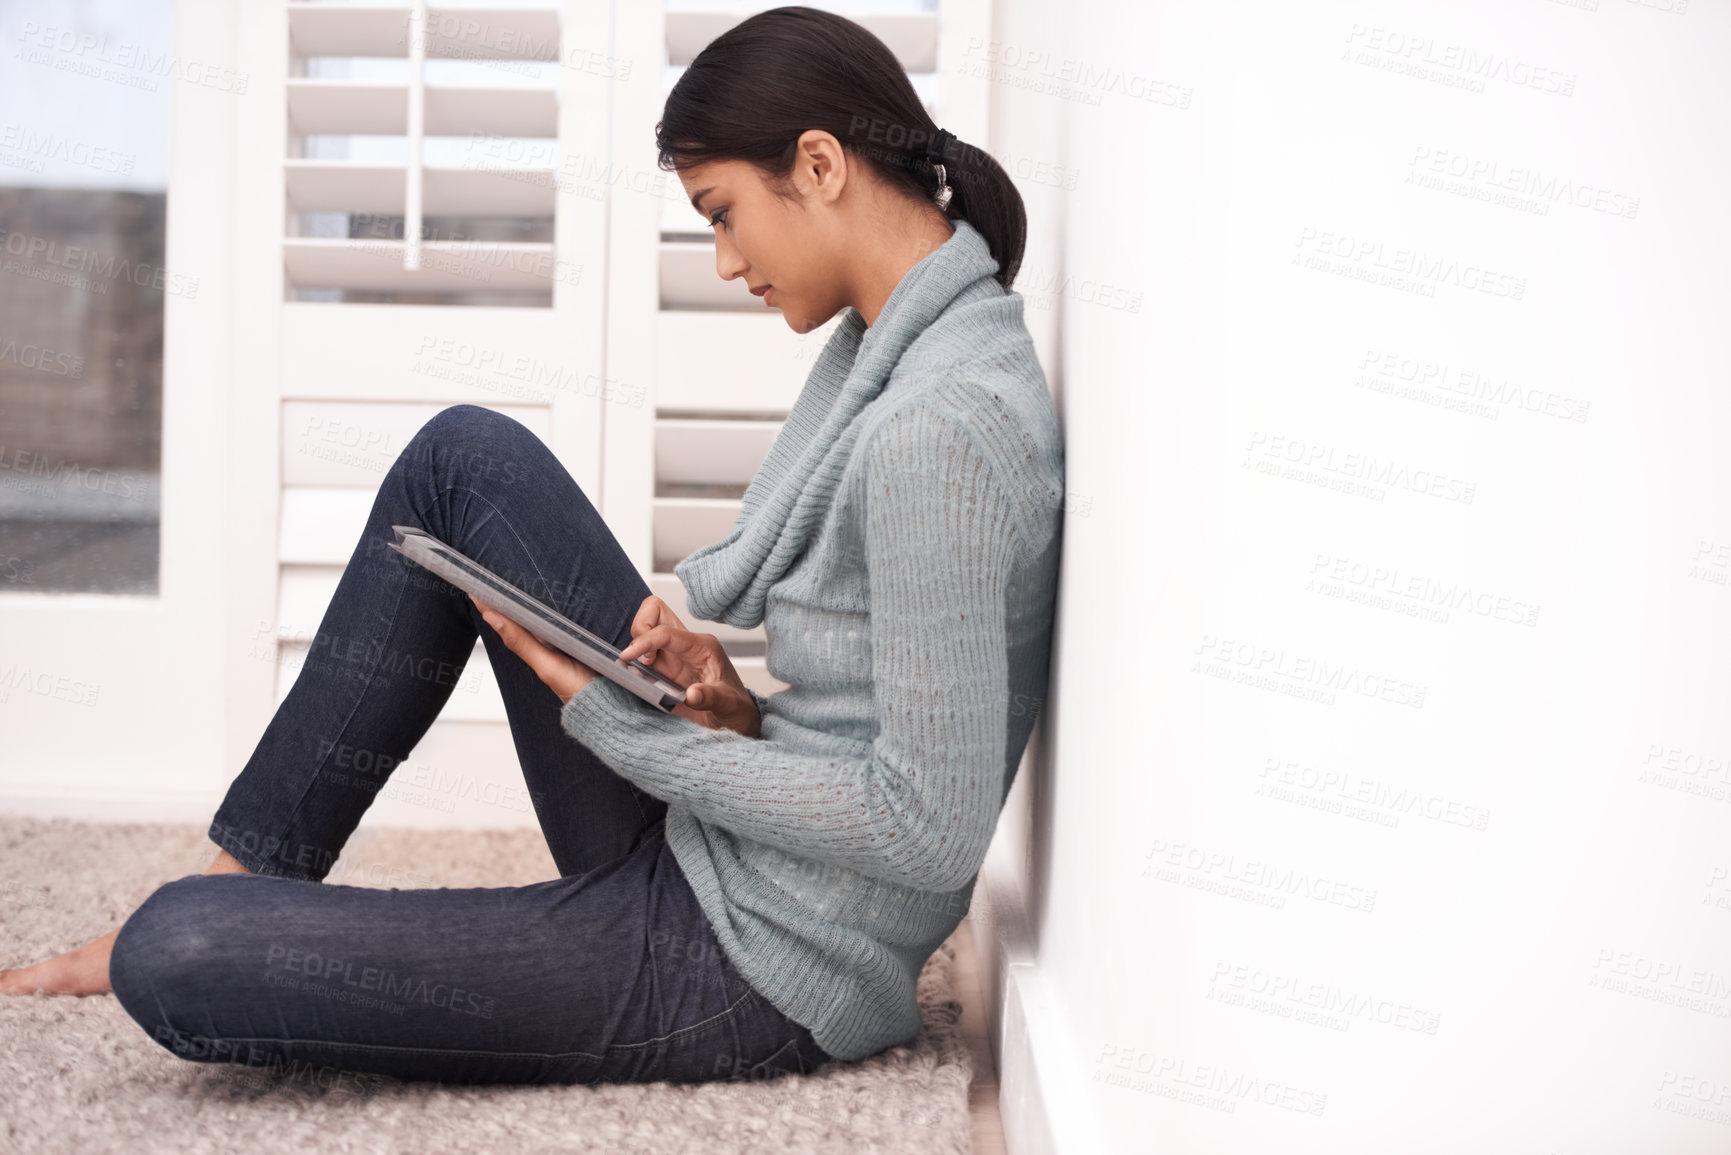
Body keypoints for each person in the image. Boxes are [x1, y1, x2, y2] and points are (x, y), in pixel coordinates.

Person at [0, 6, 1065, 1087]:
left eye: (724, 212)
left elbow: (923, 833)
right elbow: (871, 719)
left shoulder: (940, 429)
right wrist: (737, 719)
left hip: (753, 969)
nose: (727, 257)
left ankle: (213, 910)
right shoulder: (914, 359)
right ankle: (243, 872)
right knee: (464, 463)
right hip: (722, 849)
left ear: (820, 164)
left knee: (173, 950)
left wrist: (632, 737)